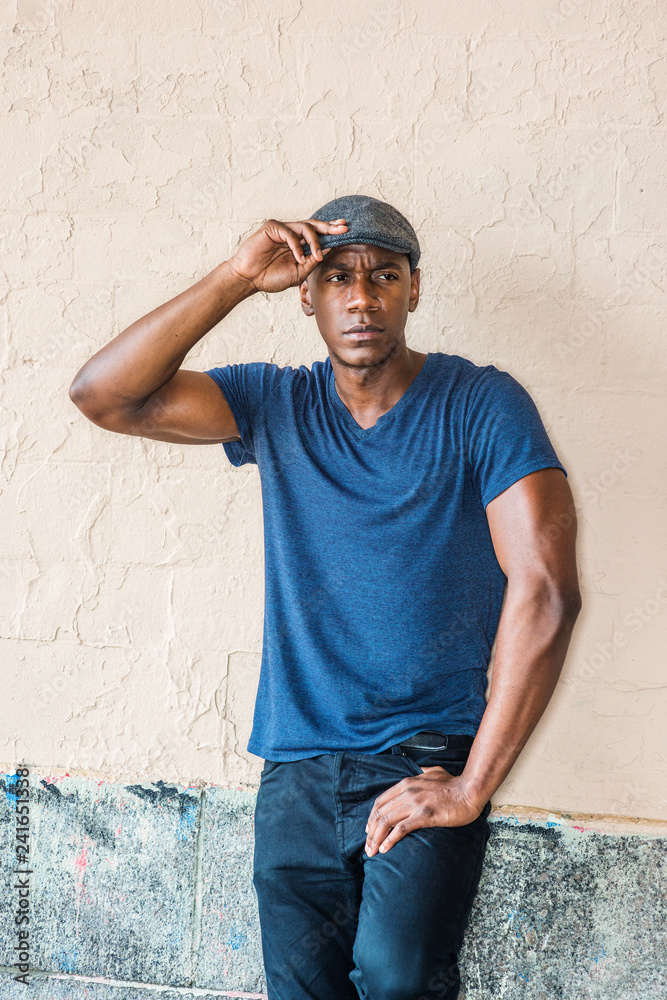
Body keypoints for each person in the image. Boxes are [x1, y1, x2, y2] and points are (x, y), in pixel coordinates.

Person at [69, 194, 581, 1000]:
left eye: (384, 275)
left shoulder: (481, 404)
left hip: (424, 757)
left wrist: (470, 784)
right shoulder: (276, 404)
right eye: (337, 277)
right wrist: (236, 276)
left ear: (413, 289)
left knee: (395, 981)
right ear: (306, 295)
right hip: (296, 770)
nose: (361, 297)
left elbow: (546, 591)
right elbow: (104, 395)